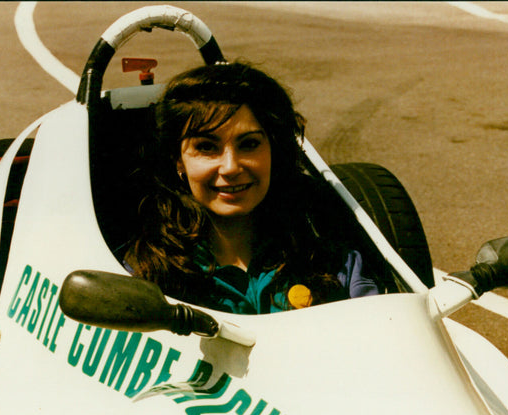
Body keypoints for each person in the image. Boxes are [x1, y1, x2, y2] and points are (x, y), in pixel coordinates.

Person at [123, 61, 379, 314]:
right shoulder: (149, 273)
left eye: (249, 144)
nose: (231, 167)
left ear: (273, 151)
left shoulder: (331, 260)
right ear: (178, 160)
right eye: (206, 147)